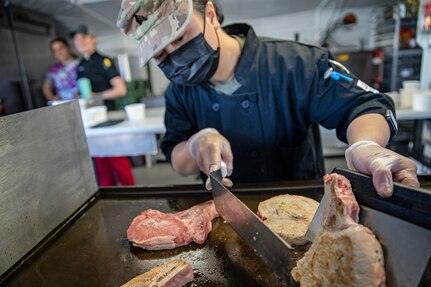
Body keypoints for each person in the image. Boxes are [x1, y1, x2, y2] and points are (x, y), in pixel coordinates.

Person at [117, 0, 419, 196]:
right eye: (160, 53)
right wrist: (195, 144)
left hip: (306, 205)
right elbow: (178, 160)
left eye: (180, 37)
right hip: (226, 212)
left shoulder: (295, 63)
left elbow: (362, 105)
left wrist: (366, 146)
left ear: (210, 14)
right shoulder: (179, 93)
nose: (174, 56)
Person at [70, 24, 135, 187]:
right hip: (91, 119)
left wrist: (95, 96)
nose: (80, 42)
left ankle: (131, 192)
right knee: (100, 163)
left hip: (108, 118)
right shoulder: (79, 67)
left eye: (83, 37)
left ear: (93, 39)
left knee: (117, 159)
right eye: (76, 39)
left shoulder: (103, 61)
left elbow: (121, 89)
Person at [42, 37, 79, 101]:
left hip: (81, 101)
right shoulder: (53, 70)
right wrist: (51, 98)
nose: (59, 52)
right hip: (62, 104)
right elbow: (46, 86)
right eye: (55, 50)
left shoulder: (80, 64)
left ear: (68, 48)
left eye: (61, 48)